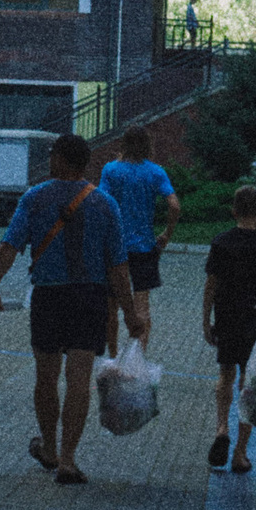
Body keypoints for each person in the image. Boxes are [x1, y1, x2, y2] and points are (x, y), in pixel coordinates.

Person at [0, 135, 136, 487]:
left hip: (49, 297)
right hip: (90, 297)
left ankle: (50, 447)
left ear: (62, 160)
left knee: (46, 377)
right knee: (79, 379)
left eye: (52, 154)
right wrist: (130, 312)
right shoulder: (105, 204)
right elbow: (118, 267)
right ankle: (68, 459)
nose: (48, 158)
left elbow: (11, 246)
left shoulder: (35, 198)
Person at [202, 183, 256, 474]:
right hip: (253, 319)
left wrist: (205, 319)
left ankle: (221, 427)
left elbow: (211, 285)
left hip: (226, 316)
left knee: (225, 373)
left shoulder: (221, 243)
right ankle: (240, 453)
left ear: (233, 211)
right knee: (248, 382)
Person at [96, 126, 178, 353]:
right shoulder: (155, 172)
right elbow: (174, 205)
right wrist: (166, 234)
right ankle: (138, 355)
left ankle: (113, 355)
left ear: (123, 144)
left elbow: (102, 203)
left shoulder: (111, 170)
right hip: (144, 246)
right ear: (147, 145)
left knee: (111, 305)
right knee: (141, 304)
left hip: (115, 247)